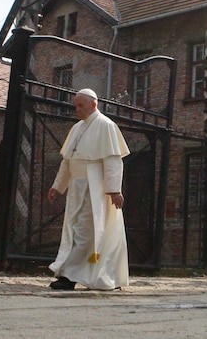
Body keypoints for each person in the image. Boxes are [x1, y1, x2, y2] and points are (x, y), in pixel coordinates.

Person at [47, 89, 130, 290]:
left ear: (94, 105)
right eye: (75, 105)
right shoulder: (76, 128)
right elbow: (68, 161)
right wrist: (58, 186)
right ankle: (77, 274)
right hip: (77, 187)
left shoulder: (106, 125)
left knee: (85, 232)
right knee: (73, 231)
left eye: (80, 105)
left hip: (95, 188)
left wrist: (113, 189)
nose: (77, 109)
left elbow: (113, 160)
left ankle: (68, 277)